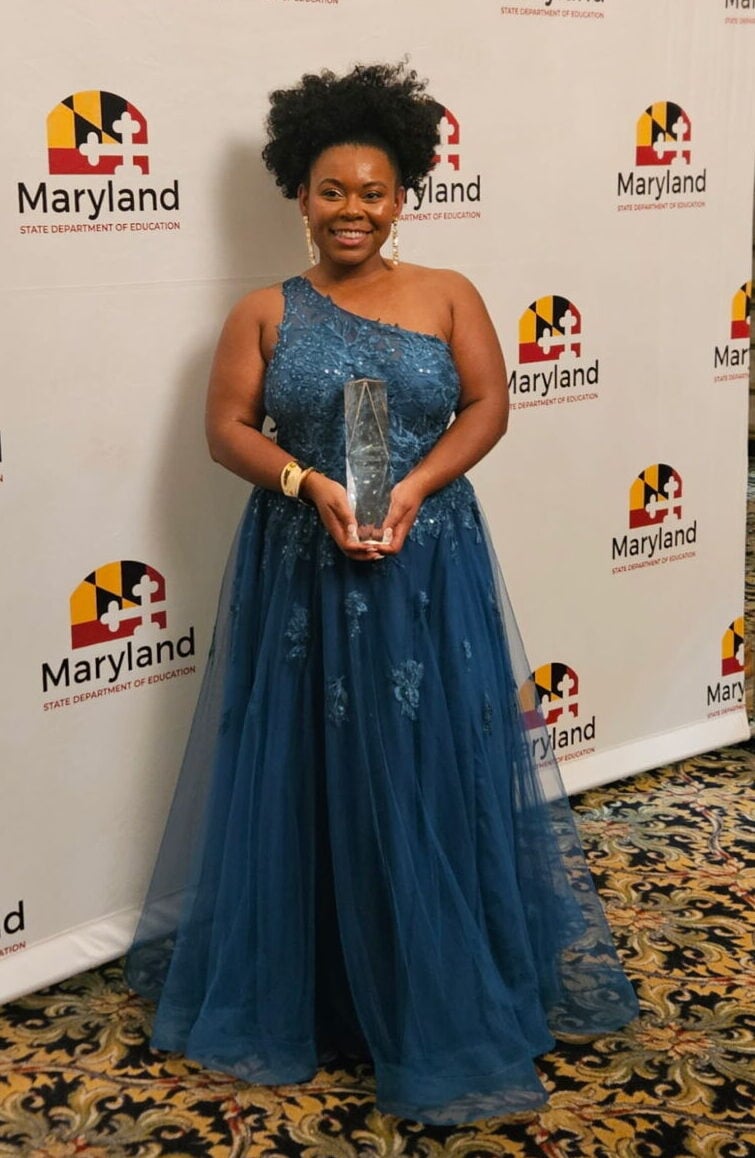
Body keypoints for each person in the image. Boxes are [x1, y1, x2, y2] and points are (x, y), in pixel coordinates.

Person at [126, 62, 638, 1125]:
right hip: (302, 563)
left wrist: (406, 488)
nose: (350, 210)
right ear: (297, 197)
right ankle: (319, 990)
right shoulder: (264, 310)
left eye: (372, 191)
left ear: (403, 194)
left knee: (426, 759)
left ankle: (432, 975)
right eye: (329, 192)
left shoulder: (449, 294)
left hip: (425, 555)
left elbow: (489, 404)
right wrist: (307, 484)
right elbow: (225, 430)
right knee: (307, 763)